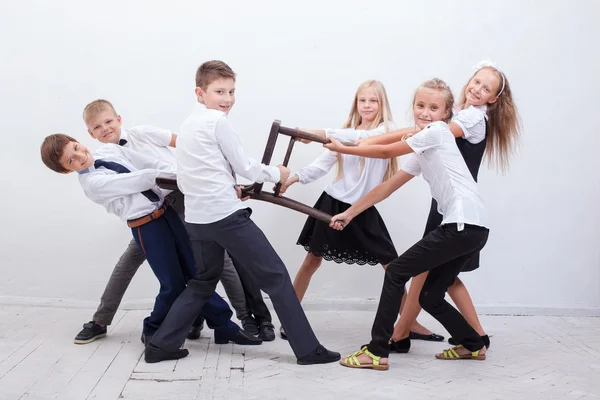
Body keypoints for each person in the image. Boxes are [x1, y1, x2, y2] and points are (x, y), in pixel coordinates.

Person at [144, 60, 340, 365]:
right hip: (224, 217)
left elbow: (194, 173)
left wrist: (229, 184)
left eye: (232, 91)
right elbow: (244, 166)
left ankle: (160, 346)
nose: (227, 98)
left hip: (197, 218)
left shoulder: (188, 125)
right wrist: (279, 172)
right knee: (275, 276)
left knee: (203, 280)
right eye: (219, 91)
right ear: (200, 93)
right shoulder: (217, 122)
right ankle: (307, 349)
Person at [40, 134, 258, 363]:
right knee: (172, 283)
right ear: (65, 171)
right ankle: (153, 329)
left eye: (77, 148)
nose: (80, 155)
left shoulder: (109, 152)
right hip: (147, 226)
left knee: (197, 273)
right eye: (71, 160)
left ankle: (223, 326)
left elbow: (149, 164)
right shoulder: (93, 184)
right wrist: (194, 177)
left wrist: (175, 170)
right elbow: (142, 179)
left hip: (167, 213)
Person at [72, 99, 274, 345]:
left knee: (217, 259)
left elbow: (192, 147)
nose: (104, 129)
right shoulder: (100, 159)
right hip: (153, 214)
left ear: (119, 119)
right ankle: (101, 321)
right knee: (133, 263)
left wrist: (219, 180)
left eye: (108, 122)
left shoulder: (143, 133)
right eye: (97, 127)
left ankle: (244, 319)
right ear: (90, 134)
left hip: (184, 194)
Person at [324, 78, 489, 370]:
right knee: (429, 295)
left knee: (397, 271)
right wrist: (350, 213)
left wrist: (345, 149)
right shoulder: (425, 147)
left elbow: (388, 151)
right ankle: (473, 344)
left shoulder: (437, 133)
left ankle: (376, 352)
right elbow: (388, 187)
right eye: (420, 105)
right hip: (475, 228)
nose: (425, 113)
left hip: (461, 223)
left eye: (434, 107)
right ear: (413, 107)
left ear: (446, 113)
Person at [277, 80, 441, 343]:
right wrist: (293, 178)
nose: (367, 105)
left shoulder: (387, 131)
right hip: (333, 202)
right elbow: (321, 165)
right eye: (362, 100)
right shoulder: (344, 133)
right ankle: (289, 318)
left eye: (373, 101)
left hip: (362, 209)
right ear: (356, 103)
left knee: (392, 266)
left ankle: (411, 323)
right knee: (312, 261)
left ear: (381, 104)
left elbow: (363, 139)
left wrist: (314, 133)